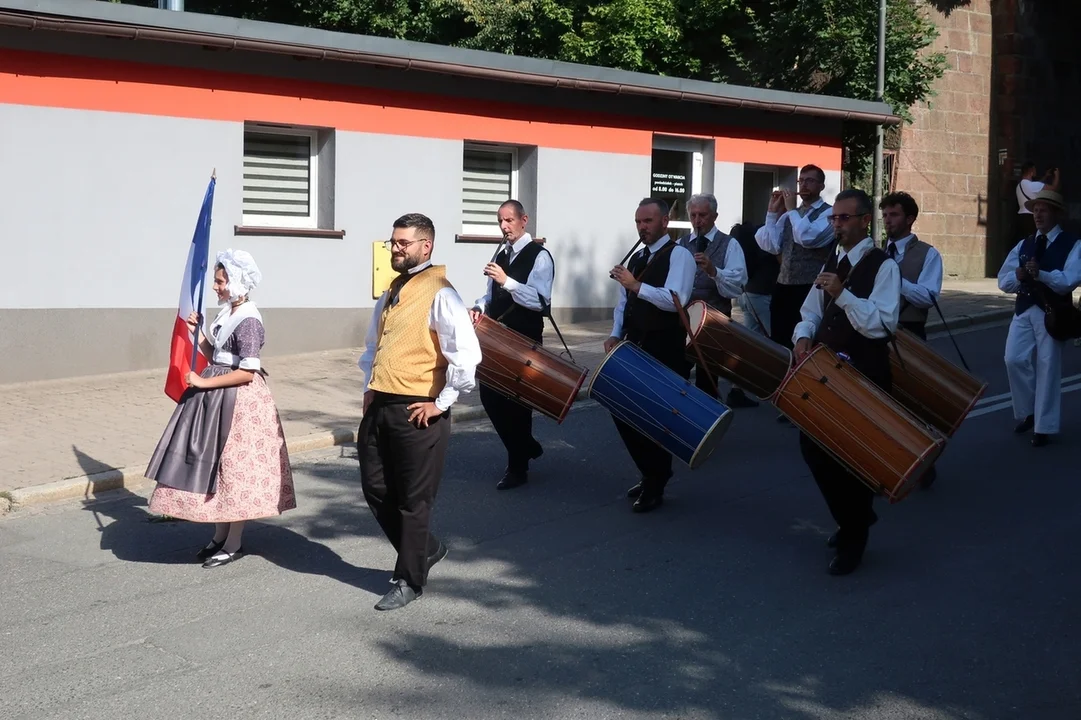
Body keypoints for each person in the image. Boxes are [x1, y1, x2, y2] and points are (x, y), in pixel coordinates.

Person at [357, 213, 482, 611]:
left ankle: (409, 579)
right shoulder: (393, 288)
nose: (395, 248)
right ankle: (425, 548)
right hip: (381, 404)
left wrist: (441, 403)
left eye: (403, 243)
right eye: (393, 242)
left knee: (414, 500)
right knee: (375, 487)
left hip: (418, 410)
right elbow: (372, 346)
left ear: (425, 246)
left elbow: (466, 356)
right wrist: (368, 389)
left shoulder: (442, 293)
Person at [146, 249, 295, 568]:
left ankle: (234, 541)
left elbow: (247, 371)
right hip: (218, 394)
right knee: (215, 467)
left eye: (220, 281)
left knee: (233, 471)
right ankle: (219, 535)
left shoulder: (250, 318)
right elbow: (219, 356)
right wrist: (197, 333)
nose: (216, 287)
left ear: (238, 280)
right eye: (215, 281)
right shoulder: (228, 312)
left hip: (239, 400)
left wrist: (202, 383)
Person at [792, 189, 901, 576]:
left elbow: (883, 324)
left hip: (864, 375)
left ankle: (854, 537)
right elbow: (810, 309)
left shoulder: (883, 266)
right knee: (814, 447)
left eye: (843, 218)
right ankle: (853, 518)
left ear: (864, 221)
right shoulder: (832, 258)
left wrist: (844, 295)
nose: (836, 224)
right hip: (826, 373)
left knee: (852, 460)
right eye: (833, 218)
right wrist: (803, 335)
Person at [604, 198, 695, 513]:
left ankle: (655, 480)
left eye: (649, 221)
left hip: (664, 347)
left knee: (656, 421)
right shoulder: (637, 257)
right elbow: (622, 302)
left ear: (665, 222)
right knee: (624, 411)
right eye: (639, 222)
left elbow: (676, 300)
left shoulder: (679, 255)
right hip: (632, 344)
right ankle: (650, 472)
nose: (643, 227)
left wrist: (636, 285)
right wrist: (615, 333)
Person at [470, 200, 554, 490]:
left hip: (524, 337)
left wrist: (507, 281)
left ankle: (517, 467)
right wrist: (479, 307)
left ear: (524, 220)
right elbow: (490, 295)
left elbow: (540, 302)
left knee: (518, 405)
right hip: (496, 337)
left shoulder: (540, 256)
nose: (504, 227)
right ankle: (526, 446)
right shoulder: (502, 252)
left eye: (509, 220)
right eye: (500, 221)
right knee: (490, 397)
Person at [997, 188, 1081, 447]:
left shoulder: (1073, 244)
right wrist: (1019, 276)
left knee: (1047, 365)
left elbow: (1069, 281)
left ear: (1056, 213)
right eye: (1035, 210)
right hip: (1024, 308)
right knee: (1013, 358)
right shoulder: (1024, 244)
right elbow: (1003, 280)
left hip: (1053, 311)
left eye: (1043, 209)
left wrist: (1042, 274)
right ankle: (1029, 412)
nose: (1038, 214)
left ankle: (1044, 426)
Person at [758, 165, 835, 424]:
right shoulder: (792, 214)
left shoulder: (829, 214)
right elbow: (769, 244)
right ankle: (789, 396)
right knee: (782, 341)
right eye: (801, 180)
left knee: (807, 343)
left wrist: (790, 210)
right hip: (784, 285)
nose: (803, 185)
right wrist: (772, 212)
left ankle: (810, 395)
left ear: (821, 186)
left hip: (810, 287)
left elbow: (808, 239)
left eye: (810, 181)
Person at [880, 191, 945, 489]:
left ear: (909, 219)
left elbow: (928, 296)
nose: (887, 220)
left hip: (910, 331)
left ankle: (925, 459)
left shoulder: (928, 254)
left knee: (911, 401)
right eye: (885, 214)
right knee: (881, 397)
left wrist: (895, 280)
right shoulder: (877, 251)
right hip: (878, 331)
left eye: (893, 215)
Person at [676, 193, 752, 406]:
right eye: (693, 215)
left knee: (707, 376)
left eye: (703, 215)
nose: (697, 220)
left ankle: (705, 422)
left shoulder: (729, 244)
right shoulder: (680, 244)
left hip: (714, 321)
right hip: (683, 320)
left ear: (715, 216)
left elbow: (737, 285)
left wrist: (713, 271)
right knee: (678, 371)